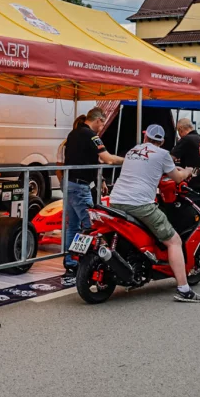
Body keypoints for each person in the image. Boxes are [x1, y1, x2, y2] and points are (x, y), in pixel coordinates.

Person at [110, 124, 200, 303]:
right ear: (162, 141)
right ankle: (184, 290)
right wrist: (188, 171)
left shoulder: (132, 151)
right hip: (140, 204)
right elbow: (176, 177)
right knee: (174, 240)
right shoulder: (163, 154)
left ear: (145, 137)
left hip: (116, 200)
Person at [62, 107, 122, 283]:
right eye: (102, 123)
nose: (102, 127)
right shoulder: (92, 136)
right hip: (81, 187)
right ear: (98, 120)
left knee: (72, 226)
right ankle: (91, 263)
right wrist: (128, 160)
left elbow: (88, 159)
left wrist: (101, 178)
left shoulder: (73, 134)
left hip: (69, 184)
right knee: (92, 225)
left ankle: (71, 263)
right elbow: (108, 158)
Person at [171, 118, 200, 255]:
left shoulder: (186, 140)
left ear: (181, 130)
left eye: (178, 132)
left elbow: (169, 158)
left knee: (188, 224)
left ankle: (189, 256)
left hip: (195, 188)